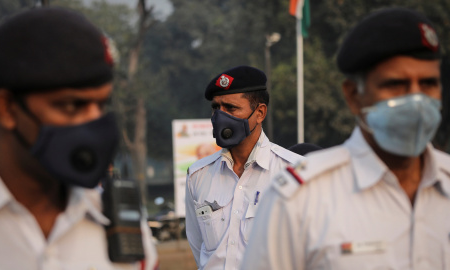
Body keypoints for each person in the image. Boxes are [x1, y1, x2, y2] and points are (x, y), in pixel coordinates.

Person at [242, 7, 450, 270]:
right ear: (353, 96)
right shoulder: (300, 199)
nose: (416, 100)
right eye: (395, 84)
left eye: (429, 83)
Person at [0, 7, 157, 270]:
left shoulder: (122, 227)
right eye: (72, 105)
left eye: (101, 105)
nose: (94, 122)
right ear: (7, 108)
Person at [185, 66, 303, 270]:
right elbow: (198, 248)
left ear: (260, 113)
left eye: (231, 108)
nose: (219, 117)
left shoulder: (294, 172)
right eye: (216, 108)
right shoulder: (198, 175)